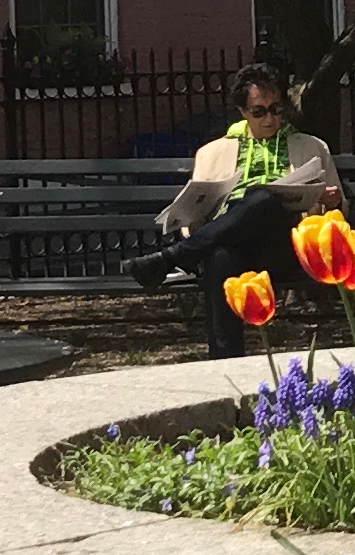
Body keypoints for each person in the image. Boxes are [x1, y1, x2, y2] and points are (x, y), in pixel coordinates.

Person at [147, 66, 343, 355]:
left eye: (276, 109)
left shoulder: (311, 147)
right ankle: (224, 361)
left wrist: (333, 201)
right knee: (220, 256)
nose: (270, 118)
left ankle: (178, 256)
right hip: (231, 239)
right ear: (242, 111)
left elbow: (340, 207)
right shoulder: (213, 152)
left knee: (265, 199)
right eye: (259, 111)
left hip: (282, 242)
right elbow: (195, 209)